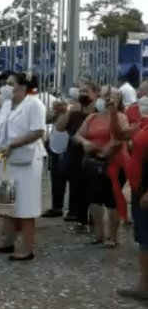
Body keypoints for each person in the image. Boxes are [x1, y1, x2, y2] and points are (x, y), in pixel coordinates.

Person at [0, 72, 46, 261]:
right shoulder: (6, 105)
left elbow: (38, 132)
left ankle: (27, 249)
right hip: (6, 159)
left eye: (9, 83)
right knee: (6, 203)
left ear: (21, 87)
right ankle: (7, 242)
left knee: (26, 206)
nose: (5, 86)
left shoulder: (34, 104)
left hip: (27, 161)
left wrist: (14, 144)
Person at [73, 86, 129, 247]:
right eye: (103, 96)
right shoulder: (92, 117)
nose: (105, 99)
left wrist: (106, 150)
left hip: (114, 163)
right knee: (94, 198)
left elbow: (119, 138)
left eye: (109, 97)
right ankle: (99, 233)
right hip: (93, 163)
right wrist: (85, 142)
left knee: (111, 199)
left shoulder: (120, 117)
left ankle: (113, 236)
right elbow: (77, 135)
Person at [54, 81, 99, 230]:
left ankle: (94, 219)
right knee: (77, 186)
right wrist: (67, 111)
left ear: (95, 94)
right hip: (74, 152)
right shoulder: (74, 112)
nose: (82, 94)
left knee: (92, 187)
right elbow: (60, 127)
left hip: (92, 152)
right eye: (80, 91)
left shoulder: (98, 113)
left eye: (86, 91)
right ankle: (79, 218)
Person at [116, 96, 148, 301]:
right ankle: (144, 285)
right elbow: (121, 134)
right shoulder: (143, 125)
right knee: (144, 241)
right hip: (139, 188)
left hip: (145, 190)